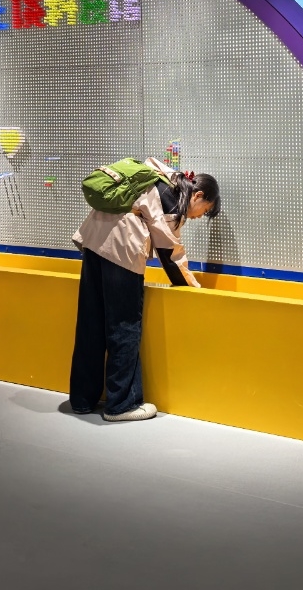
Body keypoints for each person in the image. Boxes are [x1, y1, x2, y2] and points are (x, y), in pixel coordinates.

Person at [68, 161, 220, 422]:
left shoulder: (155, 178)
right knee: (124, 326)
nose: (197, 217)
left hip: (93, 242)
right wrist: (194, 289)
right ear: (197, 195)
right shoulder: (172, 199)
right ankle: (121, 404)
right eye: (204, 210)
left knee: (90, 323)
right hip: (121, 249)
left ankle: (82, 399)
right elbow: (170, 254)